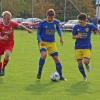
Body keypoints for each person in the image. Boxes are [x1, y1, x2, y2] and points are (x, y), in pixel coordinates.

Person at [37, 9, 66, 81]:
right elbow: (38, 34)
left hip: (52, 43)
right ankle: (39, 71)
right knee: (44, 55)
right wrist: (40, 41)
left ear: (54, 16)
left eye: (52, 17)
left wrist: (61, 37)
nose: (51, 18)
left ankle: (61, 76)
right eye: (49, 17)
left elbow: (58, 29)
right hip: (43, 42)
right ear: (47, 16)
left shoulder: (56, 22)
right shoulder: (42, 23)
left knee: (56, 59)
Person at [0, 11, 32, 76]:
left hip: (9, 43)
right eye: (8, 19)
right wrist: (2, 38)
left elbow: (20, 25)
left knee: (7, 55)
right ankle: (0, 68)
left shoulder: (12, 23)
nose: (9, 20)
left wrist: (27, 29)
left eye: (10, 18)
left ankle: (3, 68)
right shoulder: (0, 25)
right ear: (4, 18)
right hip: (1, 43)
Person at [72, 13, 99, 81]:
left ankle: (87, 65)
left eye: (81, 21)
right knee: (79, 64)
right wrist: (77, 36)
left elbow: (96, 30)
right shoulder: (76, 27)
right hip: (78, 47)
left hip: (86, 47)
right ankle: (84, 76)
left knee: (86, 61)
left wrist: (97, 30)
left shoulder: (90, 26)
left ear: (85, 20)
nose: (80, 22)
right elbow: (73, 36)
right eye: (79, 20)